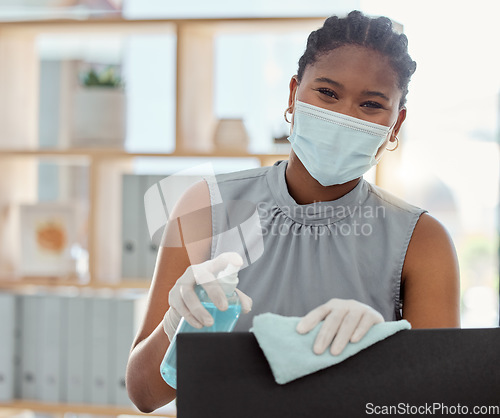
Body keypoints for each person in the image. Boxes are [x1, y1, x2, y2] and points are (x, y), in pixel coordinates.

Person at [126, 10, 460, 412]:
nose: (344, 117)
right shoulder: (206, 207)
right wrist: (175, 327)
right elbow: (145, 395)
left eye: (371, 104)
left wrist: (383, 350)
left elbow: (442, 405)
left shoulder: (421, 242)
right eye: (327, 93)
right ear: (292, 95)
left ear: (395, 125)